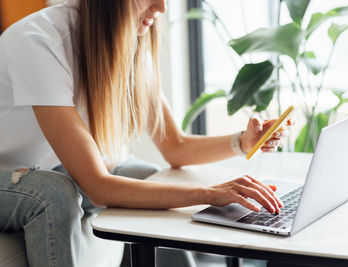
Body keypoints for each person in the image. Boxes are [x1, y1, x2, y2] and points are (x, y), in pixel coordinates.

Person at [0, 0, 288, 266]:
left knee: (144, 172)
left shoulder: (129, 41)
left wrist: (241, 141)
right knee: (54, 194)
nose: (161, 7)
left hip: (44, 164)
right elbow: (97, 187)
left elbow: (175, 146)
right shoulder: (40, 42)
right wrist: (210, 194)